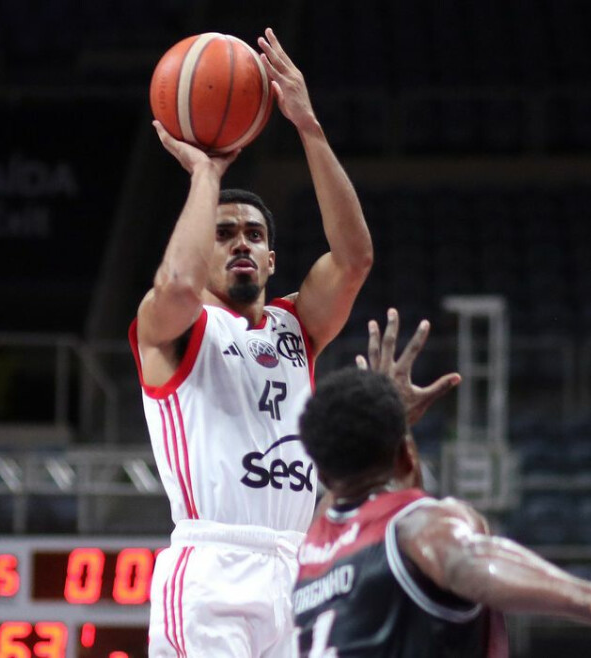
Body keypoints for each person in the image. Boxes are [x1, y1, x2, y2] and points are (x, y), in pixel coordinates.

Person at [128, 27, 374, 658]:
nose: (241, 241)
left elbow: (354, 259)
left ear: (271, 260)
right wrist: (204, 175)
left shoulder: (298, 326)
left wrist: (308, 126)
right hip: (212, 565)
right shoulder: (175, 327)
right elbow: (178, 284)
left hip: (295, 565)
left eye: (255, 235)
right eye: (223, 234)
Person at [294, 310, 591, 658]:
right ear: (406, 455)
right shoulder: (417, 527)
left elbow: (370, 501)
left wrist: (389, 424)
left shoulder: (308, 555)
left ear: (323, 475)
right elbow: (467, 558)